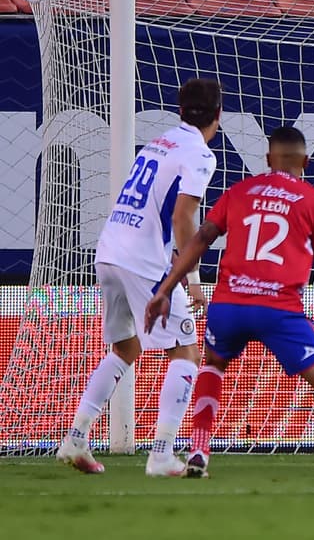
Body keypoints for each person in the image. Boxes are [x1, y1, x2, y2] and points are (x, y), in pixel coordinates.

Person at [144, 126, 314, 481]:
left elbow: (201, 238)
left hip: (228, 306)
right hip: (279, 310)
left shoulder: (239, 192)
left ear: (267, 160)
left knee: (213, 367)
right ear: (306, 162)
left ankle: (199, 450)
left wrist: (167, 288)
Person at [57, 78, 222, 477]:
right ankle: (162, 453)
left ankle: (76, 437)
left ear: (180, 111)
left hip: (110, 251)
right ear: (218, 116)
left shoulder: (158, 141)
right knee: (185, 352)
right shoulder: (199, 154)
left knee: (125, 348)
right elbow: (183, 217)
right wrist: (193, 277)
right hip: (143, 263)